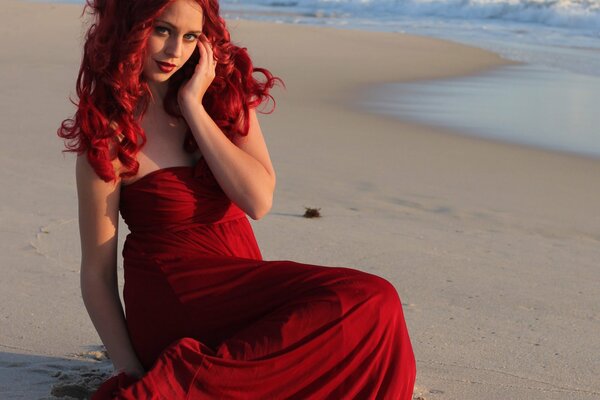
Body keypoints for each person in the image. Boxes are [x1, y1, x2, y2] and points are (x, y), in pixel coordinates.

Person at [58, 0, 416, 398]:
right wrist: (130, 370)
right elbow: (96, 273)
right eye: (162, 30)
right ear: (130, 28)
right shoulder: (110, 134)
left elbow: (257, 200)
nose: (176, 50)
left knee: (375, 314)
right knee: (372, 297)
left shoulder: (224, 99)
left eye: (190, 36)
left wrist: (194, 107)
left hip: (241, 284)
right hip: (175, 298)